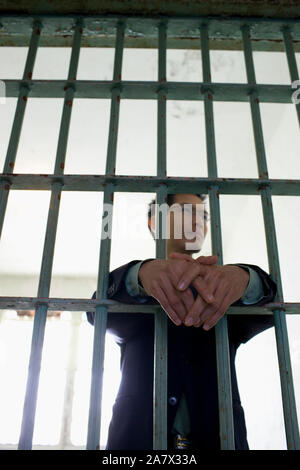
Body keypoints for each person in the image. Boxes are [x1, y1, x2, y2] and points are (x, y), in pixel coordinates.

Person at [87, 193, 277, 450]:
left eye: (204, 215)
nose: (199, 220)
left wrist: (246, 278)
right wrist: (140, 275)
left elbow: (272, 311)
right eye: (187, 211)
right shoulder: (135, 289)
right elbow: (95, 311)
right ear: (156, 222)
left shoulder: (223, 289)